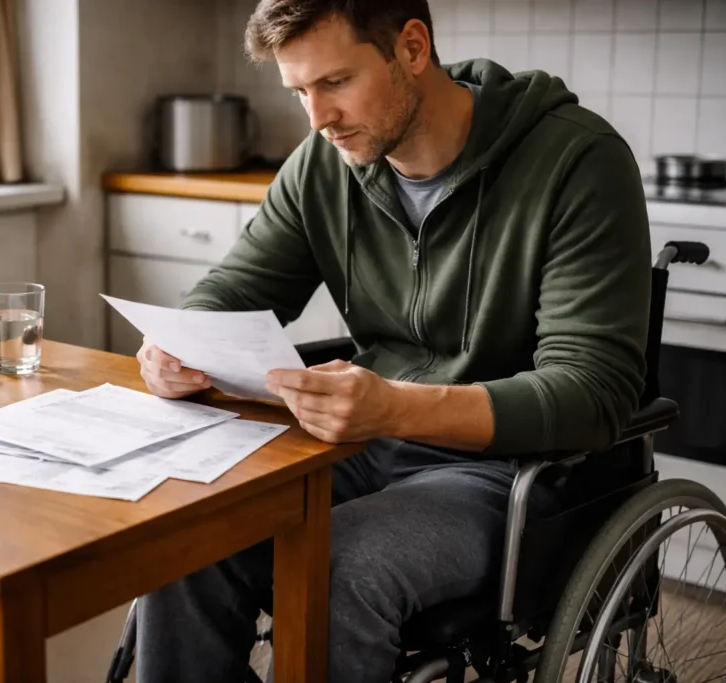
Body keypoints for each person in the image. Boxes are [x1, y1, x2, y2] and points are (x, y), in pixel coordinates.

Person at [134, 0, 652, 680]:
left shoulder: (576, 161)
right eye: (299, 92)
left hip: (513, 471)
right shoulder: (324, 167)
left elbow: (592, 392)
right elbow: (233, 290)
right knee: (183, 531)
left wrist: (397, 407)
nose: (317, 119)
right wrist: (177, 345)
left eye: (336, 83)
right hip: (360, 440)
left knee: (336, 569)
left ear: (412, 48)